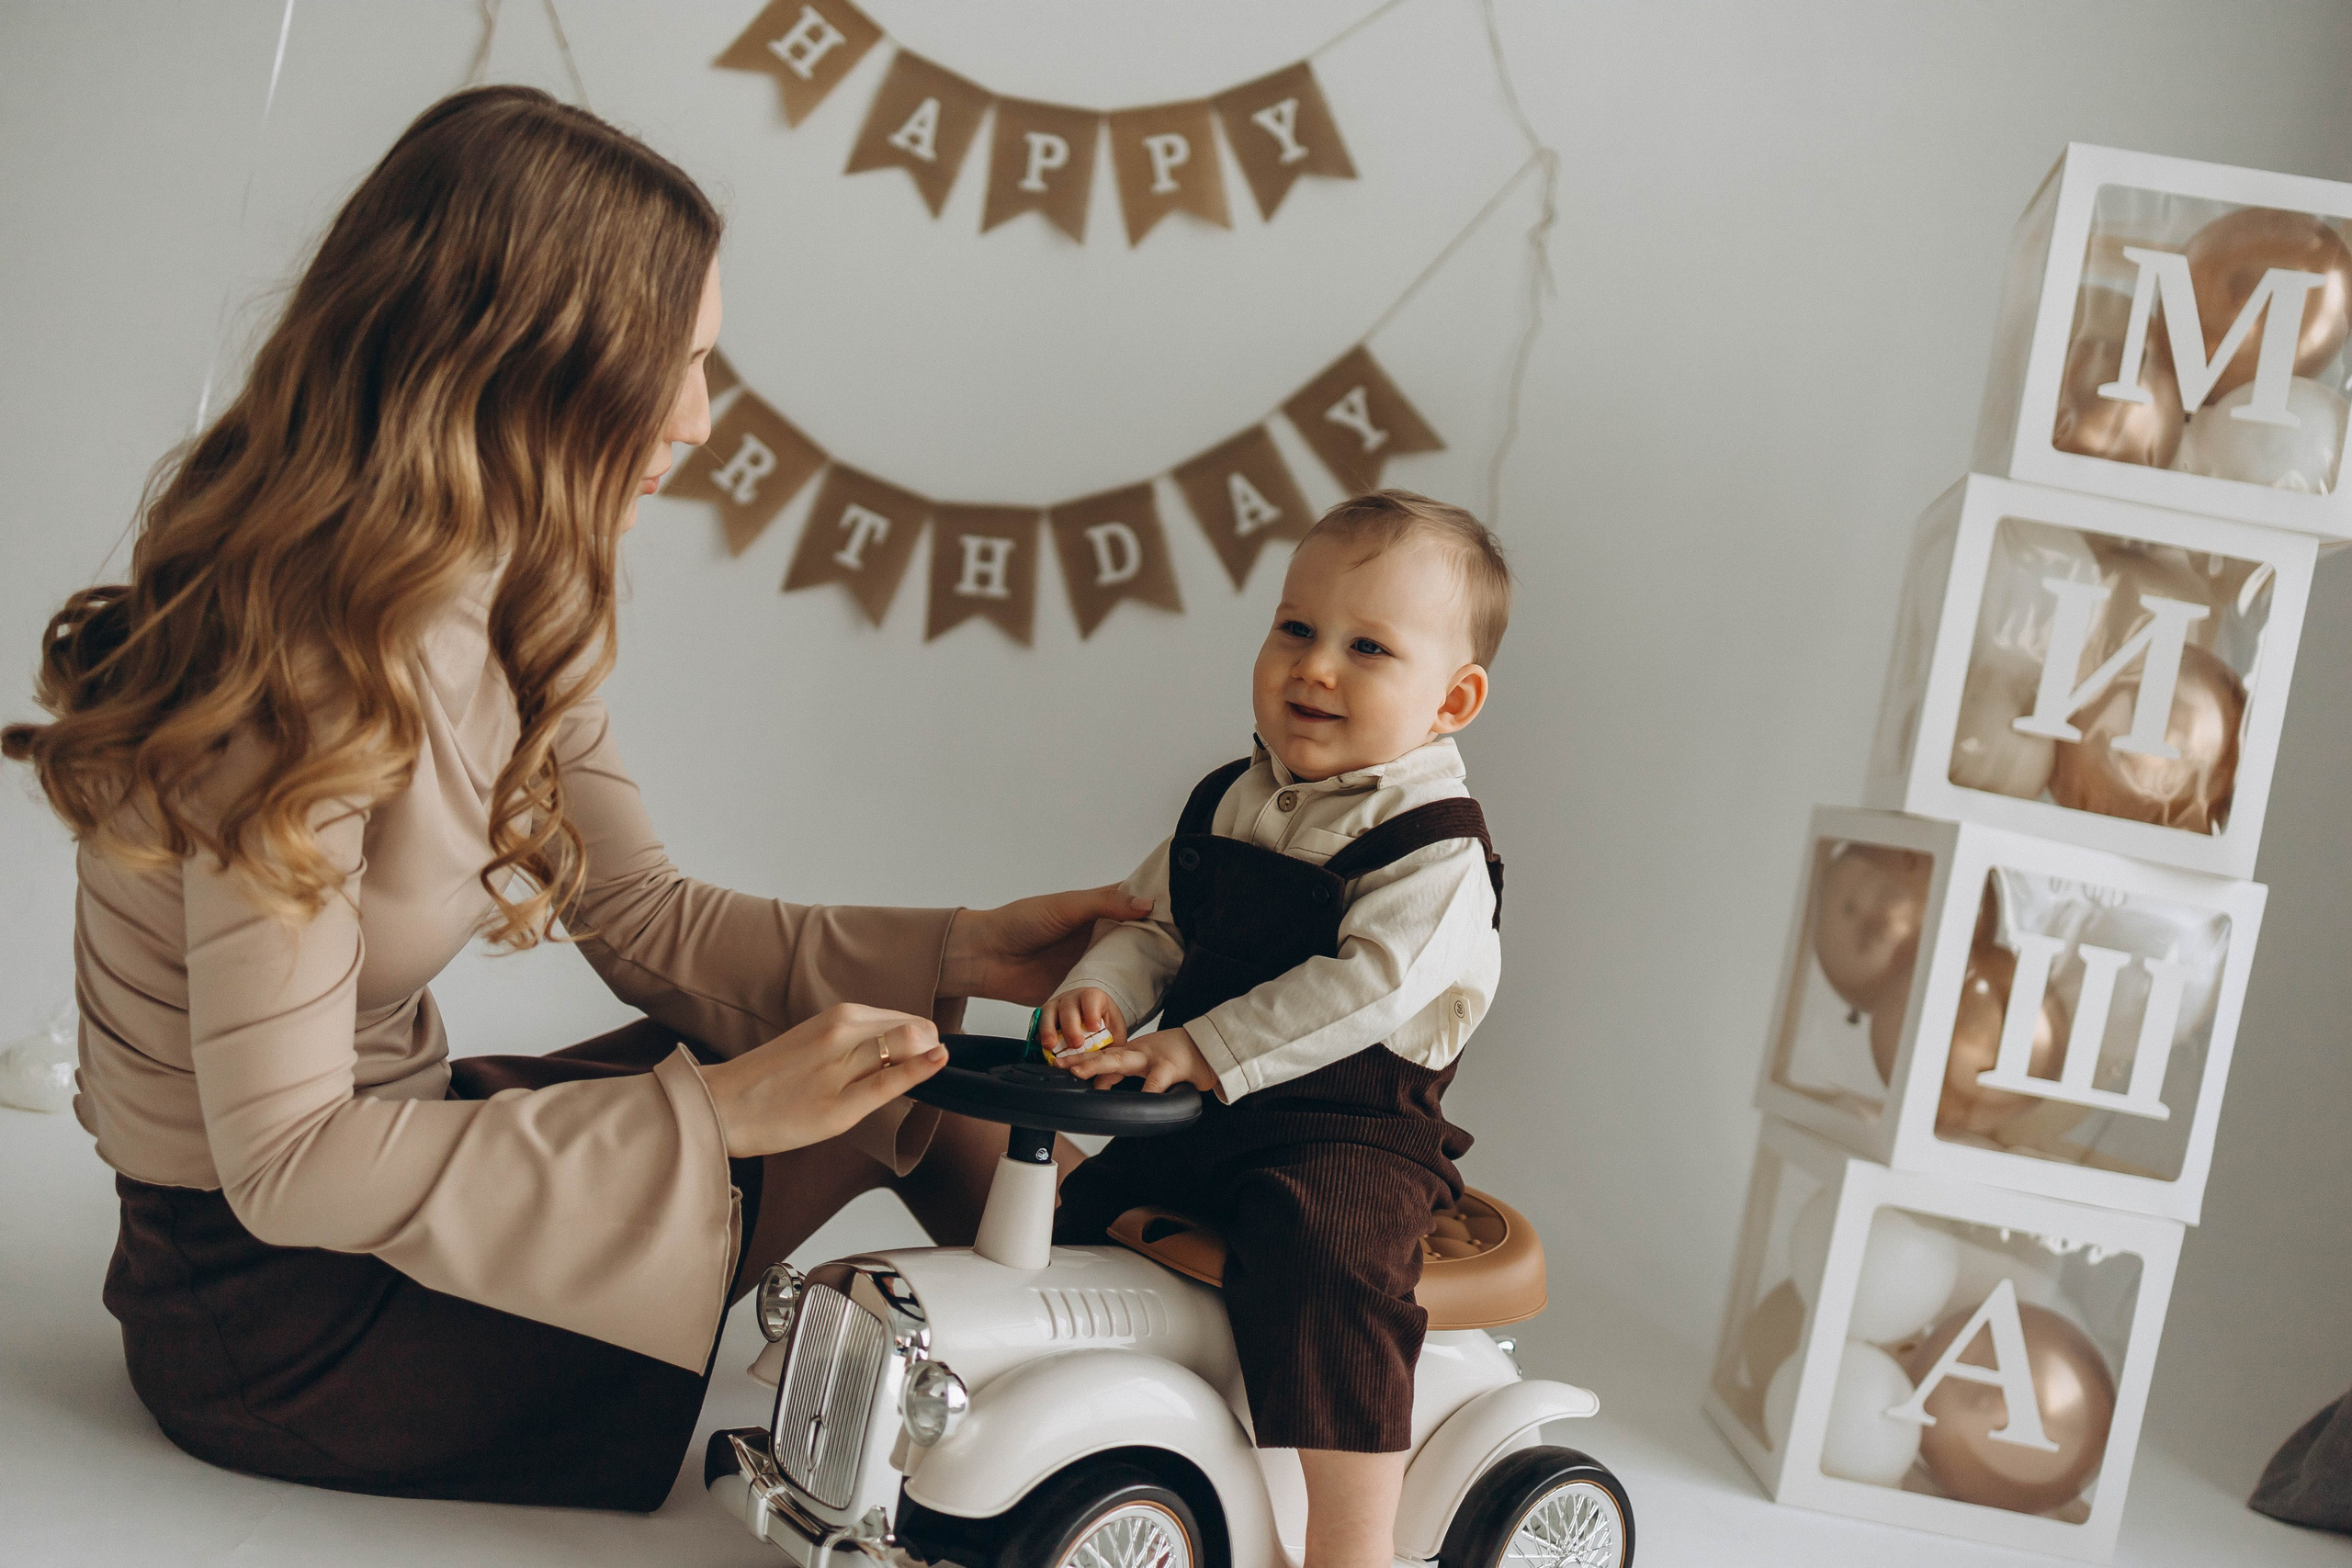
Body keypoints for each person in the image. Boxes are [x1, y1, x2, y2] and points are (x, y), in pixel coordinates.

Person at [0, 85, 1136, 1512]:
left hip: (386, 1178)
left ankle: (1121, 1285)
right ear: (528, 363)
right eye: (677, 363)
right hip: (271, 1310)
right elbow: (284, 1166)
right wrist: (720, 1113)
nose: (702, 418)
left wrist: (968, 947)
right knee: (826, 1078)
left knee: (880, 1043)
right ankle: (1118, 1335)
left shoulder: (505, 590)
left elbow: (643, 910)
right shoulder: (291, 673)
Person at [1039, 490, 1510, 1568]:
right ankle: (1079, 1446)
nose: (1315, 667)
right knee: (1077, 1212)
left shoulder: (1433, 852)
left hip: (1348, 1133)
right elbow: (1158, 925)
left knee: (1327, 1260)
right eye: (1295, 629)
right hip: (1200, 1113)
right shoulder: (1228, 799)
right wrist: (1105, 992)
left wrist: (1199, 1048)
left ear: (1453, 700)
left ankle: (1349, 1543)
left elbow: (1367, 987)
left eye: (1367, 647)